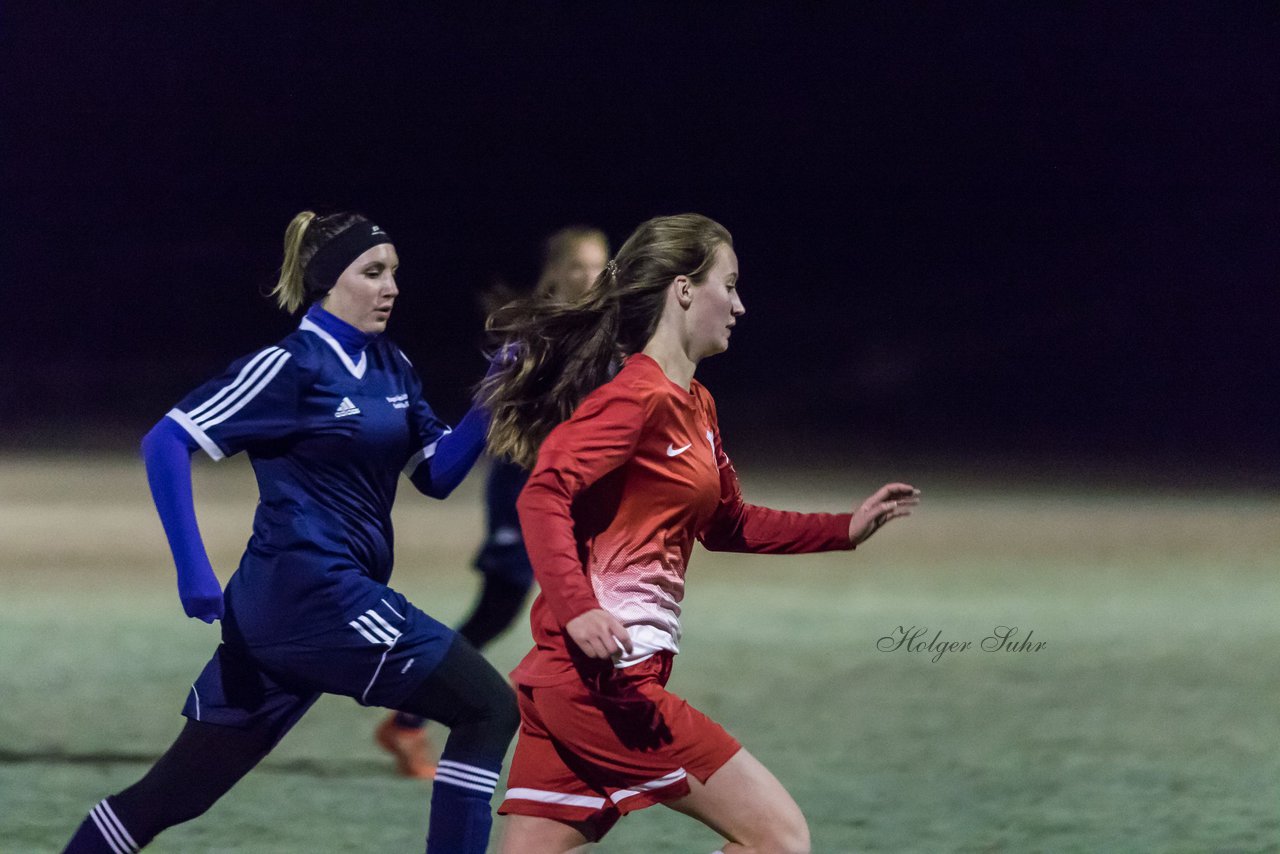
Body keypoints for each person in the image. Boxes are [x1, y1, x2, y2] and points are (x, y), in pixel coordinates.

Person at [61, 211, 519, 854]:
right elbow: (165, 441)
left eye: (394, 274)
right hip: (313, 593)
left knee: (176, 795)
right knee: (487, 710)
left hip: (296, 614)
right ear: (330, 280)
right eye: (373, 272)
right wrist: (192, 569)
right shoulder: (289, 366)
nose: (391, 287)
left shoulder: (391, 364)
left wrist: (492, 394)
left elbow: (436, 475)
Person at [478, 213, 920, 853]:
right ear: (684, 290)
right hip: (605, 685)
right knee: (779, 838)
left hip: (577, 682)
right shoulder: (636, 398)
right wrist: (578, 611)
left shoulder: (696, 405)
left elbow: (727, 522)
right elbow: (544, 491)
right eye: (730, 286)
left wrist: (843, 528)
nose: (740, 305)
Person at [376, 226, 609, 779]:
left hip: (580, 504)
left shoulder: (608, 335)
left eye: (599, 266)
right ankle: (409, 716)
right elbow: (499, 419)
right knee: (498, 613)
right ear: (554, 271)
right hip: (523, 496)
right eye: (578, 265)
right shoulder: (532, 337)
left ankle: (574, 735)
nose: (588, 277)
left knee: (584, 615)